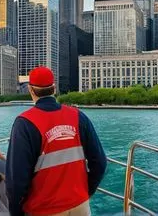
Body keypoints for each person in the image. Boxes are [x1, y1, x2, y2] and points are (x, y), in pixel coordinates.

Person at [6, 66, 107, 216]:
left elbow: (16, 179)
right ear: (54, 88)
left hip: (43, 208)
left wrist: (15, 212)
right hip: (80, 205)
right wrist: (85, 192)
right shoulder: (78, 116)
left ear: (30, 90)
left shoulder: (25, 123)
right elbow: (100, 162)